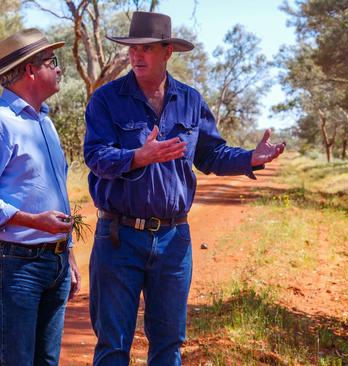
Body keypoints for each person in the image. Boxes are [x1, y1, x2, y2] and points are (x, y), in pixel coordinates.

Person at [84, 11, 285, 366]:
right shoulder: (106, 100)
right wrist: (138, 157)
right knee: (114, 344)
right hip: (118, 238)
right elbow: (96, 157)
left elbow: (211, 154)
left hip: (173, 240)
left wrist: (251, 158)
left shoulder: (190, 101)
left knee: (168, 343)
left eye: (146, 48)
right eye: (132, 49)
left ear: (168, 52)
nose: (137, 56)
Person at [0, 28, 81, 366]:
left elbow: (54, 192)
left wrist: (66, 255)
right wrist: (32, 221)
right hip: (14, 264)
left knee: (46, 361)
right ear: (30, 70)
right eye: (51, 62)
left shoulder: (44, 122)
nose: (58, 69)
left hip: (53, 263)